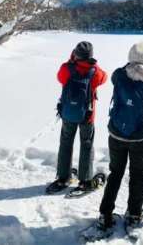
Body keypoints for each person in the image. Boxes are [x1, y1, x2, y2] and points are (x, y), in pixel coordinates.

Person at [96, 42, 143, 231]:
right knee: (137, 175)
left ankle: (105, 214)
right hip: (139, 136)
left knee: (115, 174)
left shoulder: (119, 74)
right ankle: (134, 213)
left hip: (116, 133)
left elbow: (114, 79)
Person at [47, 41, 107, 194]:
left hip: (68, 113)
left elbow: (60, 78)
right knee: (86, 145)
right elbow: (104, 78)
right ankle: (85, 179)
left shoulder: (66, 68)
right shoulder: (95, 72)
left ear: (75, 54)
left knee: (66, 143)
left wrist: (71, 60)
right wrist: (93, 64)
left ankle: (63, 176)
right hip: (87, 115)